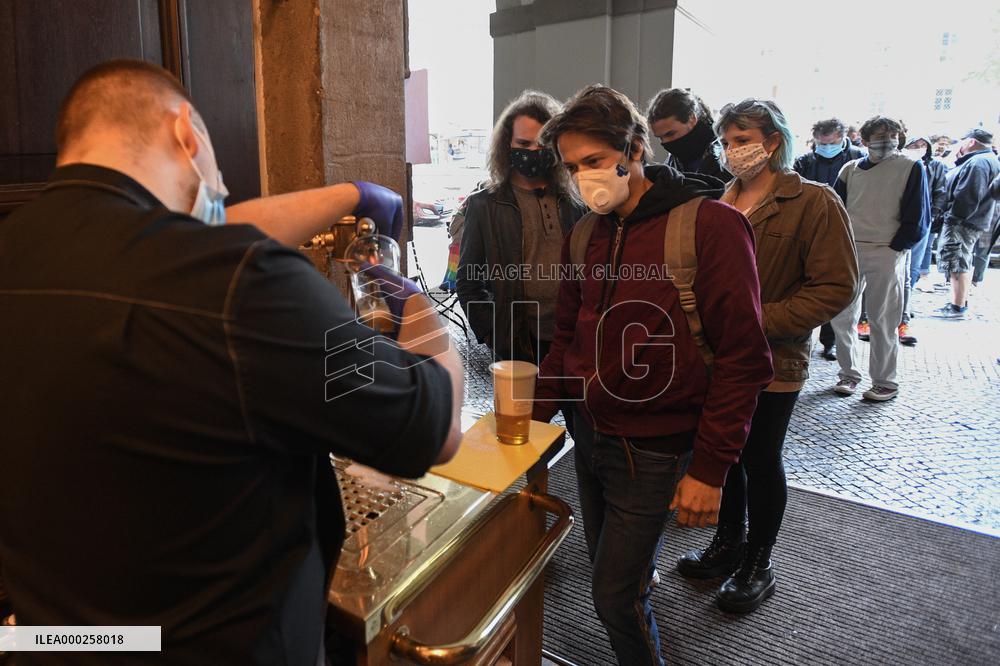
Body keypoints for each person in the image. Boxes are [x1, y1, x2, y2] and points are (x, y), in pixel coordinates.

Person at [0, 59, 464, 665]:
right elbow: (435, 427)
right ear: (187, 135)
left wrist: (347, 197)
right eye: (216, 176)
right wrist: (424, 316)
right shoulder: (241, 285)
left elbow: (192, 242)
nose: (220, 196)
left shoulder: (24, 248)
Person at [533, 84, 774, 665]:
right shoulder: (585, 234)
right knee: (613, 576)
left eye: (593, 161)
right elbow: (566, 338)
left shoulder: (710, 226)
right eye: (571, 168)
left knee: (612, 595)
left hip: (657, 448)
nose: (583, 177)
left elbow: (744, 360)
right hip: (590, 438)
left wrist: (711, 470)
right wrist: (528, 420)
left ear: (635, 148)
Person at [676, 99, 858, 615]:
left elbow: (835, 287)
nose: (733, 151)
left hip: (775, 360)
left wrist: (759, 321)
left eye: (743, 139)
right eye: (727, 142)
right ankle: (727, 542)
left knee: (759, 457)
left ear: (773, 140)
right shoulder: (721, 199)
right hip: (714, 357)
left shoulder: (813, 201)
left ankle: (759, 560)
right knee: (722, 452)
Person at [457, 90, 587, 366]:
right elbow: (469, 282)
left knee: (579, 410)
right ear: (507, 145)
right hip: (518, 341)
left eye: (541, 145)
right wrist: (493, 333)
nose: (532, 153)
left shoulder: (575, 200)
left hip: (574, 338)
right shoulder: (485, 205)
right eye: (523, 144)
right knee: (522, 411)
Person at [829, 115, 928, 402]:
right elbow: (836, 208)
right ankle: (848, 374)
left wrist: (898, 246)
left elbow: (917, 212)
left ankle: (885, 381)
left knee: (882, 318)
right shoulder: (850, 169)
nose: (885, 140)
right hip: (850, 248)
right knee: (842, 315)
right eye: (879, 135)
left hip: (886, 249)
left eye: (891, 134)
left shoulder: (910, 166)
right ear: (865, 138)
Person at [792, 117, 866, 360]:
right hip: (809, 227)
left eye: (830, 143)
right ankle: (801, 335)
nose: (825, 147)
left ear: (842, 138)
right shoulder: (805, 160)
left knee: (832, 284)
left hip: (845, 228)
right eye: (820, 143)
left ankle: (830, 340)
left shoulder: (857, 160)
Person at [933, 129, 1000, 318]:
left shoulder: (978, 162)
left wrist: (953, 217)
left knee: (957, 261)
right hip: (970, 220)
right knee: (961, 260)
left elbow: (968, 196)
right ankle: (958, 302)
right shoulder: (985, 159)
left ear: (971, 142)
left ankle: (957, 305)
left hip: (963, 221)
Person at [646, 88, 730, 181]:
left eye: (671, 134)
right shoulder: (673, 160)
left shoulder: (724, 158)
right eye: (660, 138)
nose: (665, 142)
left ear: (692, 118)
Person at [907, 136, 951, 294]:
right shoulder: (901, 164)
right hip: (903, 216)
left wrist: (933, 214)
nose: (919, 148)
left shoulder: (935, 165)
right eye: (915, 145)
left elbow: (940, 191)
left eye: (923, 145)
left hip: (926, 216)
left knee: (919, 254)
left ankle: (911, 292)